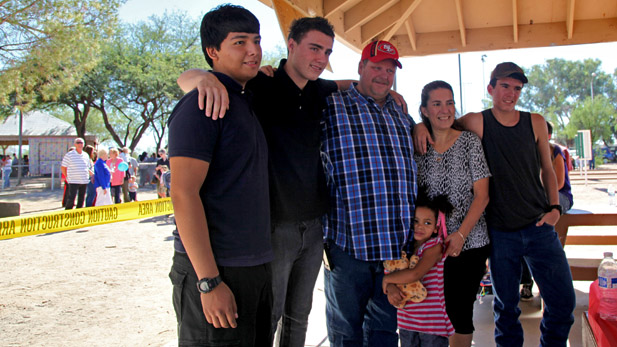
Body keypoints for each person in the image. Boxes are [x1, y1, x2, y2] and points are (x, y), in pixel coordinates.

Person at [413, 62, 576, 347]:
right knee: (506, 309)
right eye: (504, 86)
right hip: (501, 232)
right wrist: (419, 124)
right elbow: (443, 123)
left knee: (563, 302)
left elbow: (548, 169)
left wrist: (555, 209)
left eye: (517, 88)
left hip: (538, 225)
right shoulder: (477, 121)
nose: (511, 94)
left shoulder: (535, 121)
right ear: (491, 88)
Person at [167, 5, 273, 346]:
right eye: (239, 42)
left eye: (256, 40)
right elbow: (183, 194)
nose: (253, 50)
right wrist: (208, 282)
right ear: (213, 51)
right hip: (216, 270)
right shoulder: (203, 104)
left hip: (255, 267)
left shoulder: (245, 99)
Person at [320, 40, 416, 347]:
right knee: (346, 332)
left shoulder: (402, 114)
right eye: (376, 67)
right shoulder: (332, 104)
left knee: (385, 332)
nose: (384, 76)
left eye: (390, 70)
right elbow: (299, 88)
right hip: (348, 246)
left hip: (393, 250)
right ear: (360, 67)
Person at [413, 81, 490, 347]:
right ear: (424, 110)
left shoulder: (469, 142)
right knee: (429, 313)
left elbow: (483, 195)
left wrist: (460, 235)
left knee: (460, 313)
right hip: (430, 246)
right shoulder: (418, 145)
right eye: (437, 103)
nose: (445, 110)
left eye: (450, 102)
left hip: (468, 244)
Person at [382, 193, 454, 347]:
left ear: (436, 228)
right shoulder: (403, 249)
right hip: (406, 322)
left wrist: (387, 281)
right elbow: (392, 272)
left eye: (427, 223)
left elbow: (416, 273)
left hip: (432, 325)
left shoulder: (434, 247)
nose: (420, 226)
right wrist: (390, 286)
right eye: (415, 221)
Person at [520, 121, 574, 301]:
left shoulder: (555, 151)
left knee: (538, 221)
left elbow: (558, 184)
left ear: (548, 135)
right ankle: (527, 281)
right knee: (521, 225)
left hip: (559, 197)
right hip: (535, 201)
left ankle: (547, 282)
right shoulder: (526, 151)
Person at [61, 138, 93, 209]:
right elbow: (63, 167)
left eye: (81, 143)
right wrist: (67, 176)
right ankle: (68, 213)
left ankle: (79, 213)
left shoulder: (85, 155)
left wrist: (91, 175)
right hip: (73, 180)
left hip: (84, 180)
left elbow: (87, 167)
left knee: (81, 199)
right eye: (78, 143)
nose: (80, 144)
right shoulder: (69, 155)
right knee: (71, 198)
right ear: (75, 144)